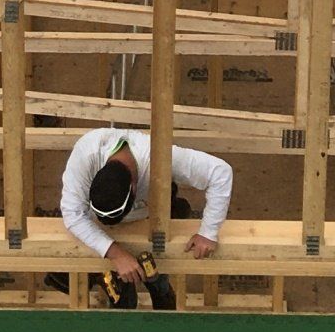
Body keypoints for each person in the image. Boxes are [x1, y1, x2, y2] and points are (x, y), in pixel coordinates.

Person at [56, 128, 232, 304]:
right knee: (125, 301)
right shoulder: (86, 155)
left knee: (166, 234)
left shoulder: (157, 157)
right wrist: (115, 253)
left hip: (151, 217)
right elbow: (72, 214)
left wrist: (209, 232)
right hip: (99, 226)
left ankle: (158, 284)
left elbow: (220, 173)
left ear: (134, 187)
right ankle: (112, 281)